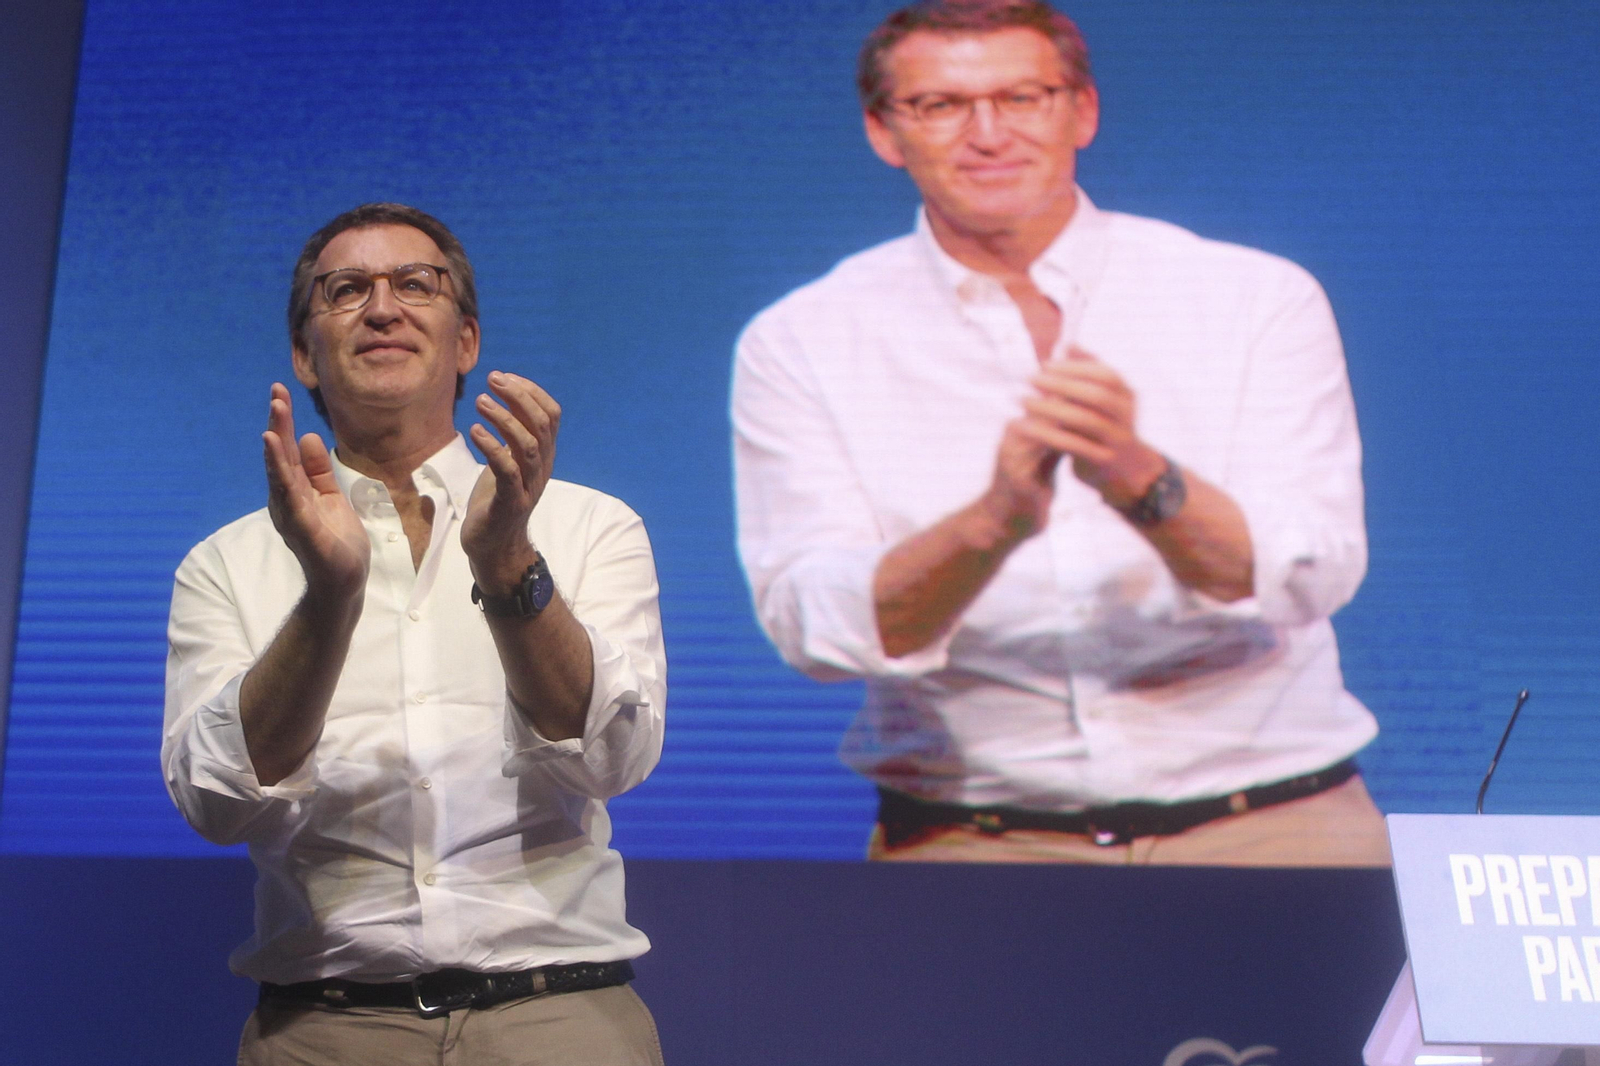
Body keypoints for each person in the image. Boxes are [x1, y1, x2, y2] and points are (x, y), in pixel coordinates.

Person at [732, 0, 1388, 866]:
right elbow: (812, 625)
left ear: (1082, 111)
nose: (987, 134)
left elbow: (1311, 569)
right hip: (974, 837)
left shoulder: (1255, 298)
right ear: (884, 132)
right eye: (940, 106)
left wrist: (1140, 478)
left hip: (1272, 821)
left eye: (1022, 97)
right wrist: (991, 524)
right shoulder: (802, 340)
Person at [162, 203, 667, 1064]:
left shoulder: (590, 526)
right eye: (347, 289)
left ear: (465, 342)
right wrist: (328, 595)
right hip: (324, 1027)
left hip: (559, 1014)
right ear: (303, 352)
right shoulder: (225, 563)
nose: (383, 308)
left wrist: (507, 560)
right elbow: (217, 803)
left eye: (415, 285)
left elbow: (611, 760)